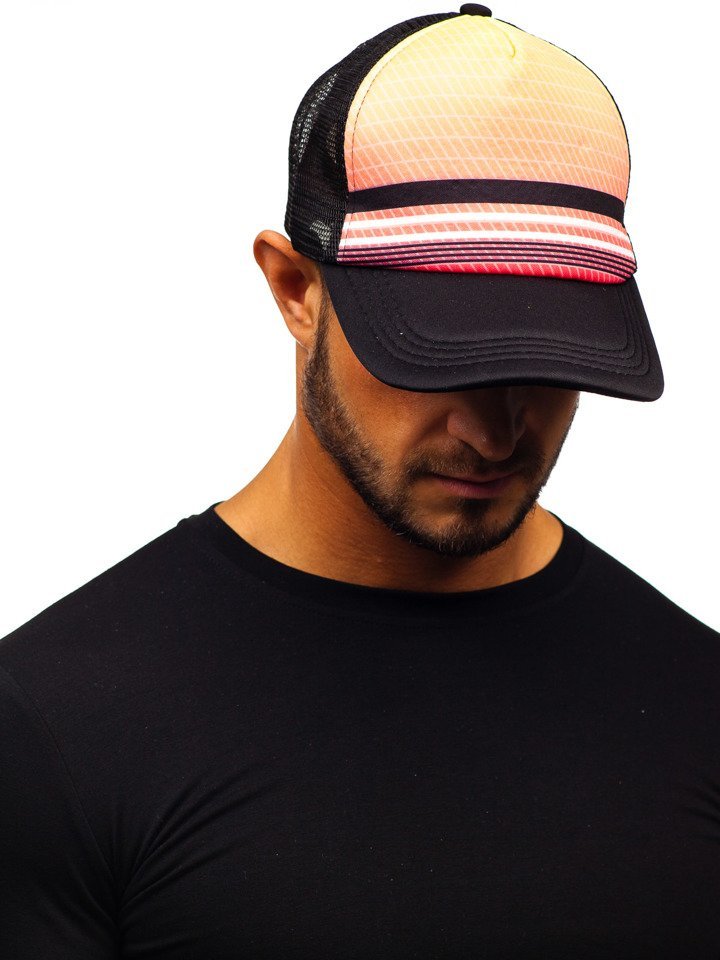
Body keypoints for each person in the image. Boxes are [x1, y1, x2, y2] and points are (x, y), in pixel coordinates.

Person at [1, 6, 719, 958]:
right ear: (296, 290)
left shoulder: (698, 703)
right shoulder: (53, 725)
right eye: (437, 357)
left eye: (545, 361)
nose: (494, 431)